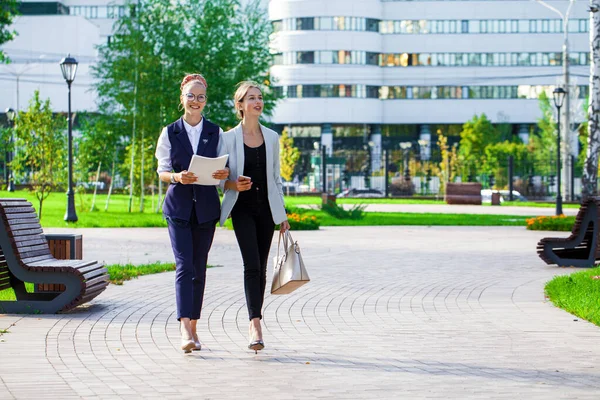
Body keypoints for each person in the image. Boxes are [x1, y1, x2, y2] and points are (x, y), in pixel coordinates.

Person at [155, 73, 229, 353]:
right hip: (179, 208)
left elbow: (223, 170)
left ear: (205, 101)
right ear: (182, 99)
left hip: (207, 210)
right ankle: (185, 327)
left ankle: (194, 327)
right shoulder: (170, 131)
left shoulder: (215, 131)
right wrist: (176, 177)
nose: (195, 101)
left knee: (199, 269)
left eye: (200, 97)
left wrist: (224, 173)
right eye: (190, 96)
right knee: (184, 266)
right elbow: (162, 171)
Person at [218, 81, 290, 353]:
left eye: (259, 98)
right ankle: (255, 324)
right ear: (240, 105)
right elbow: (217, 179)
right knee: (252, 265)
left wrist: (281, 214)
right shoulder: (226, 139)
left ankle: (256, 317)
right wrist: (233, 184)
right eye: (251, 98)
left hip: (266, 209)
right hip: (242, 209)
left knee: (261, 266)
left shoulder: (271, 137)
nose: (257, 102)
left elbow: (276, 178)